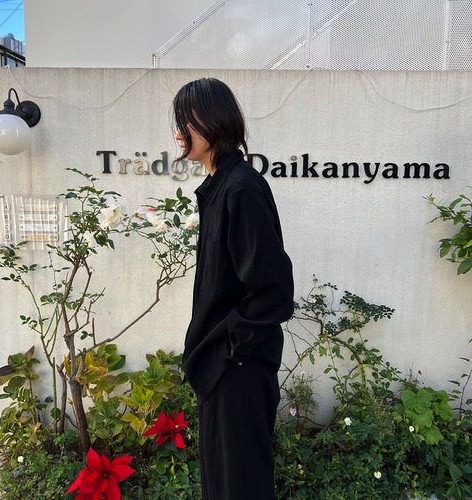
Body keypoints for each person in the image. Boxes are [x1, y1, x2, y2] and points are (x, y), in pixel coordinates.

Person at [173, 77, 294, 500]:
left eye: (187, 122)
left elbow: (274, 292)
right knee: (222, 483)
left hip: (238, 369)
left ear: (213, 122)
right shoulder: (220, 187)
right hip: (223, 368)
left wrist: (229, 349)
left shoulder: (241, 189)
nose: (179, 133)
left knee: (241, 486)